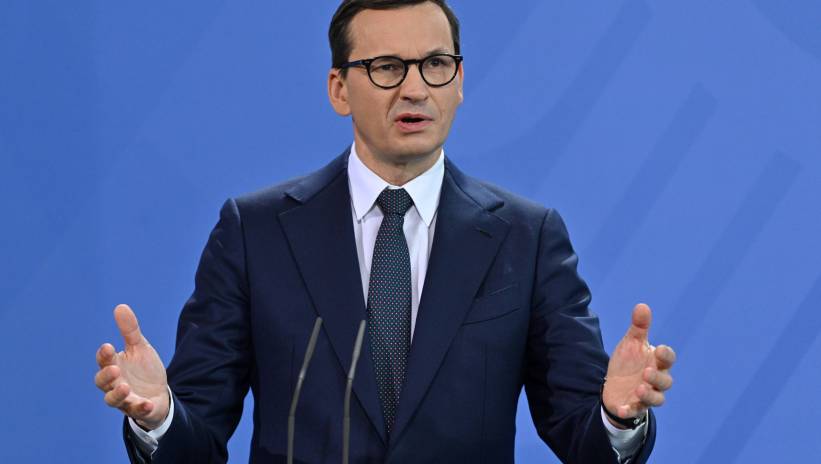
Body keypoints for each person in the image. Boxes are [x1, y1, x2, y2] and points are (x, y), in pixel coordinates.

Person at [94, 1, 676, 462]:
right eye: (387, 67)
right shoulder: (256, 232)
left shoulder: (527, 238)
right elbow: (196, 440)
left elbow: (583, 438)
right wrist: (160, 417)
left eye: (435, 64)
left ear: (459, 81)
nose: (415, 88)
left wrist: (617, 418)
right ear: (339, 89)